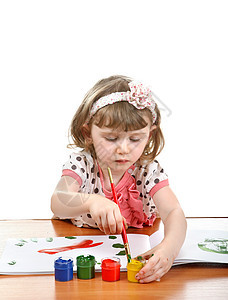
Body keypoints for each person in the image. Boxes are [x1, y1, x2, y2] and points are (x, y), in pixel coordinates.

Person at [51, 75, 187, 283]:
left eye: (135, 139)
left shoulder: (147, 170)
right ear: (87, 133)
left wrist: (169, 249)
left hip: (132, 261)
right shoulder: (82, 163)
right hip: (85, 255)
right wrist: (92, 201)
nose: (123, 149)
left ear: (149, 135)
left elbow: (174, 212)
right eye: (111, 138)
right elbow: (58, 201)